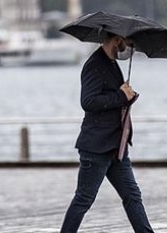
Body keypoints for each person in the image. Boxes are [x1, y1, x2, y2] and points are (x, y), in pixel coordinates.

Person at [60, 33, 154, 233]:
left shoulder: (111, 64)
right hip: (96, 147)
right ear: (117, 38)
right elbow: (88, 101)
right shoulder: (95, 65)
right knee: (84, 199)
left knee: (132, 195)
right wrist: (121, 95)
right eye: (129, 43)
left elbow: (112, 97)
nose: (130, 48)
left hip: (116, 147)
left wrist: (127, 96)